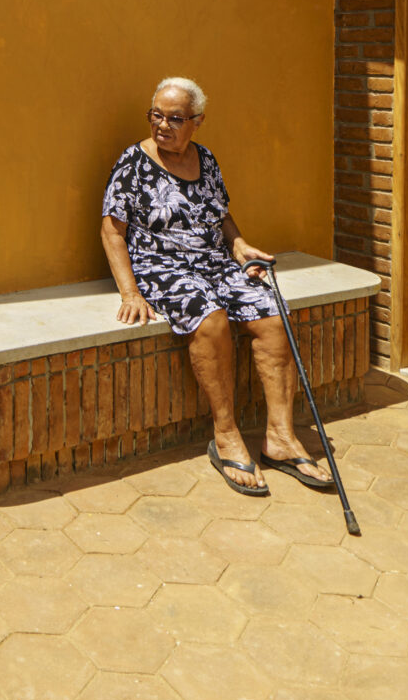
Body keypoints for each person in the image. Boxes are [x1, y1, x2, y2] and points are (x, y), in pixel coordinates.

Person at [100, 77, 332, 495]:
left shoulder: (205, 158)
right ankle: (226, 434)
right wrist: (130, 293)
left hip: (215, 262)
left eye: (175, 118)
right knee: (210, 319)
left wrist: (239, 245)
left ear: (197, 121)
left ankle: (280, 437)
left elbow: (220, 213)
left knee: (272, 314)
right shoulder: (132, 163)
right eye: (156, 115)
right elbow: (111, 231)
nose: (163, 125)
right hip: (162, 267)